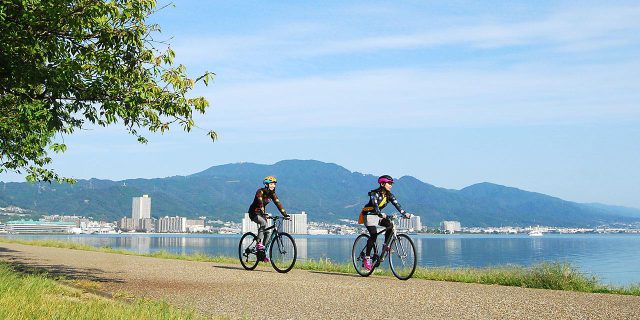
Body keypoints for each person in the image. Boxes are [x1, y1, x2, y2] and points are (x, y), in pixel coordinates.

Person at [358, 175, 411, 271]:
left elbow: (397, 205)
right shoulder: (374, 193)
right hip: (369, 214)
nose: (391, 185)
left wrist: (404, 213)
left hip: (378, 215)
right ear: (382, 184)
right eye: (389, 183)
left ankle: (385, 245)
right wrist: (380, 214)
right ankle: (367, 257)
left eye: (391, 184)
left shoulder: (389, 195)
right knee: (373, 235)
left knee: (390, 225)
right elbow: (375, 205)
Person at [248, 175, 289, 262]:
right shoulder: (260, 191)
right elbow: (260, 202)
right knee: (263, 223)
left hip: (262, 214)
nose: (273, 186)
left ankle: (261, 253)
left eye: (274, 184)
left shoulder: (272, 194)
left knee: (268, 233)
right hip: (254, 213)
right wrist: (263, 212)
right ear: (266, 185)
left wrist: (285, 215)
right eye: (271, 184)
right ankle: (259, 244)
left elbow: (278, 204)